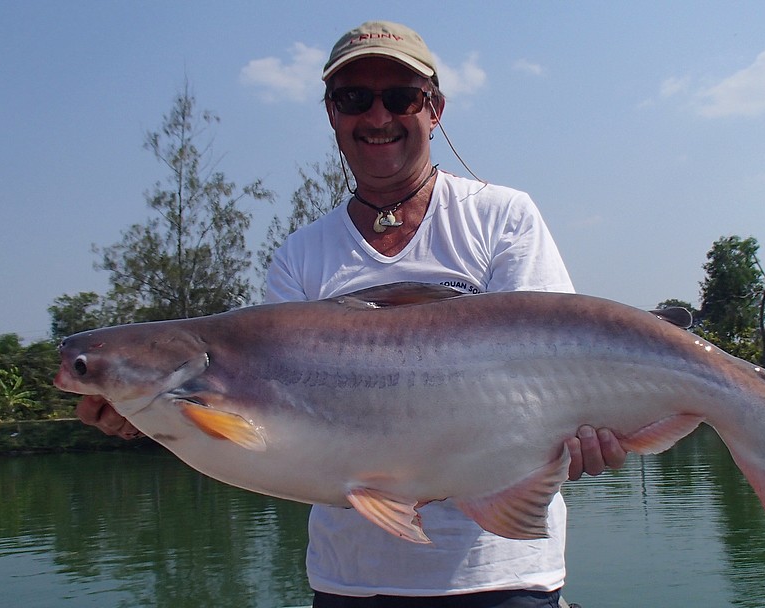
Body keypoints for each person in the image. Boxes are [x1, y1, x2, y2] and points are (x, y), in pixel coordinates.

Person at [77, 20, 627, 608]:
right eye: (353, 98)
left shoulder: (502, 217)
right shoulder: (301, 255)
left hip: (500, 576)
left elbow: (553, 372)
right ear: (333, 115)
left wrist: (584, 436)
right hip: (351, 582)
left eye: (400, 97)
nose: (377, 117)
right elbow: (268, 430)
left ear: (434, 109)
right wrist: (159, 421)